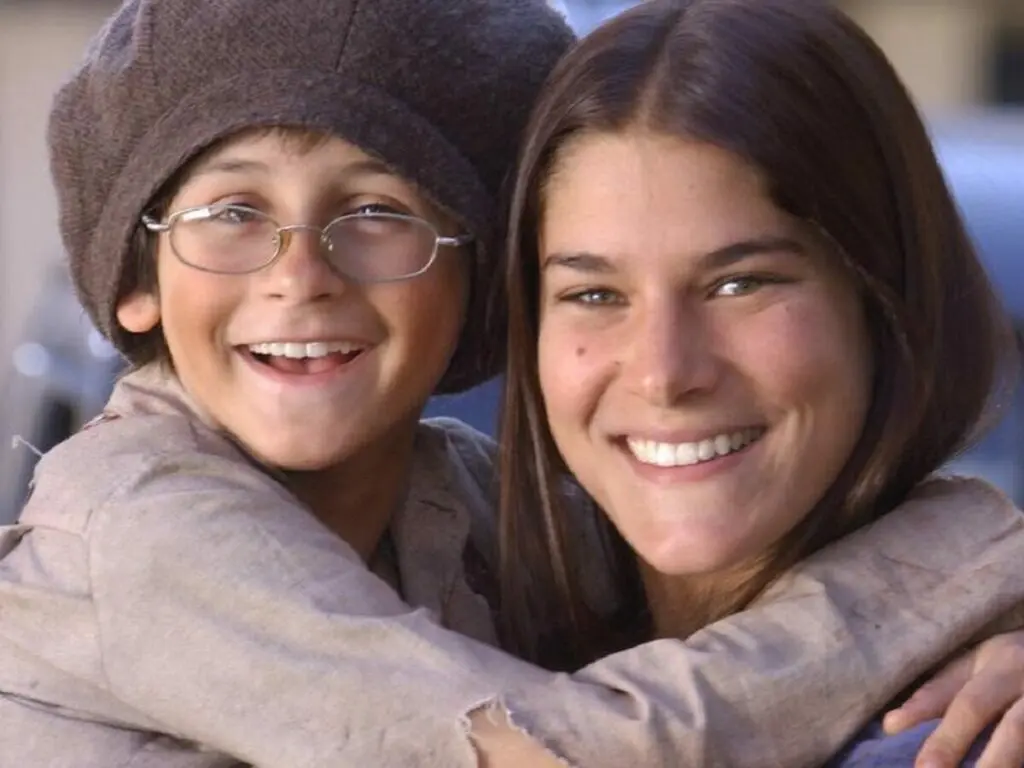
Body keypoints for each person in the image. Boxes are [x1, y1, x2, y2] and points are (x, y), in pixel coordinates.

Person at [0, 0, 1022, 766]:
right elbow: (549, 750)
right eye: (231, 214)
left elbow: (709, 621)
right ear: (136, 280)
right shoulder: (137, 523)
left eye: (377, 212)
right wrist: (955, 563)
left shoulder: (462, 503)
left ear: (476, 281)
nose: (299, 277)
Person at [496, 0, 1024, 766]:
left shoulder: (961, 733)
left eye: (739, 284)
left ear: (883, 301)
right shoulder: (466, 621)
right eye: (595, 295)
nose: (664, 372)